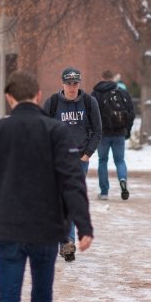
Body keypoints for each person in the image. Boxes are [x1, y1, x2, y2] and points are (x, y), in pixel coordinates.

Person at [0, 71, 93, 302]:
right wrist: (83, 225)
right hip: (46, 228)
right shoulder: (57, 132)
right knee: (42, 299)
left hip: (7, 226)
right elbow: (72, 181)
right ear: (37, 96)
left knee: (8, 300)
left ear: (9, 98)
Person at [43, 66, 101, 262]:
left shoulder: (88, 102)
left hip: (79, 161)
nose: (71, 87)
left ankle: (67, 242)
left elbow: (97, 131)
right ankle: (60, 239)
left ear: (79, 84)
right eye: (68, 83)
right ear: (62, 84)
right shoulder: (52, 103)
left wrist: (87, 154)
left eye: (75, 83)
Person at [92, 70, 136, 201]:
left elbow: (91, 114)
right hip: (119, 133)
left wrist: (93, 132)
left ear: (102, 78)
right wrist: (127, 130)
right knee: (120, 161)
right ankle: (122, 180)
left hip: (103, 134)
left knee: (102, 161)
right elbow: (131, 113)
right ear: (112, 79)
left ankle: (104, 192)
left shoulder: (96, 93)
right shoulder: (122, 92)